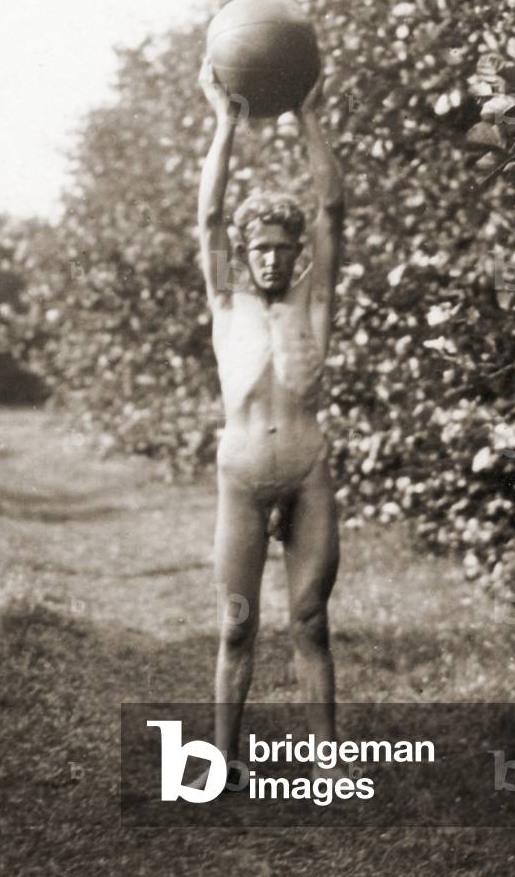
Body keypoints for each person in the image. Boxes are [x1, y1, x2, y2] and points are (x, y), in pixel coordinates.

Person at [197, 58, 344, 782]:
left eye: (286, 251)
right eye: (261, 250)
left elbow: (332, 214)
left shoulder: (315, 306)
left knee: (311, 619)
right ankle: (222, 757)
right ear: (246, 255)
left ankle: (326, 762)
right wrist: (226, 122)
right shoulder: (228, 305)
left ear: (298, 258)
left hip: (309, 471)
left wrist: (311, 117)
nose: (273, 260)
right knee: (236, 623)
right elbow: (207, 217)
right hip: (243, 476)